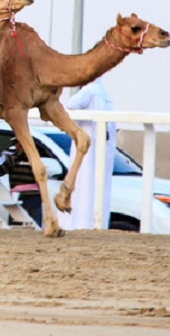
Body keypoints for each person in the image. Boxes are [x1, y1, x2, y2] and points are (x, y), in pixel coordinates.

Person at [59, 78, 115, 230]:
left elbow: (71, 104)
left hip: (89, 146)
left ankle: (78, 223)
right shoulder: (104, 94)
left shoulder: (89, 91)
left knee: (84, 182)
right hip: (101, 146)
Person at [0, 137, 43, 227]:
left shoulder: (13, 159)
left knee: (16, 226)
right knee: (35, 227)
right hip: (35, 197)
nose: (15, 146)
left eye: (17, 144)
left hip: (19, 196)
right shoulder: (36, 159)